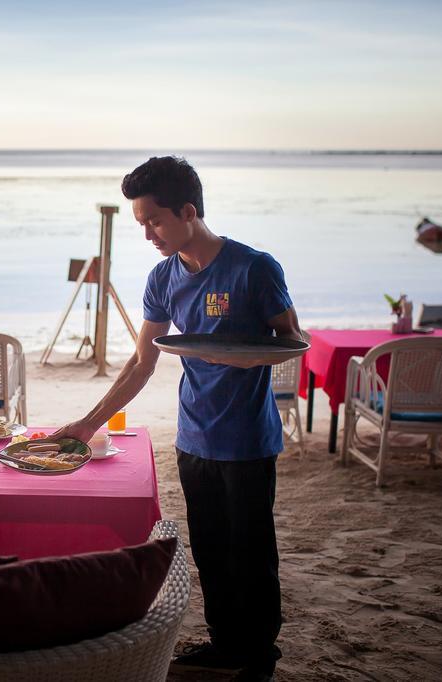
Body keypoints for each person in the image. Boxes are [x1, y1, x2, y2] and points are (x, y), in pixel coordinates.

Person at [53, 156, 304, 681]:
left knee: (252, 555)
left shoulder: (254, 267)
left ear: (188, 211)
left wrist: (238, 356)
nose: (147, 234)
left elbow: (292, 343)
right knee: (210, 551)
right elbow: (143, 361)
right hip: (193, 437)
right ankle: (225, 643)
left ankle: (259, 655)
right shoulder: (163, 277)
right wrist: (88, 423)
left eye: (154, 221)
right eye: (140, 223)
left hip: (247, 441)